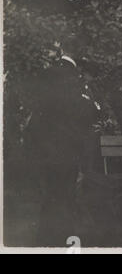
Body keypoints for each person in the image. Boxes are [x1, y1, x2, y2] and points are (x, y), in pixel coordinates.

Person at [25, 52, 99, 246]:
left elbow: (36, 115)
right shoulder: (75, 81)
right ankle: (61, 240)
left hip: (44, 150)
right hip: (67, 151)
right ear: (78, 62)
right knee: (65, 196)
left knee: (50, 195)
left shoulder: (46, 74)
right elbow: (88, 114)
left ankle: (44, 239)